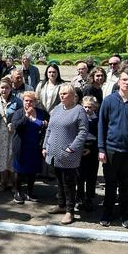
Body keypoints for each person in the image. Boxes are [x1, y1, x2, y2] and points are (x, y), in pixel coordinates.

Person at [98, 68, 128, 229]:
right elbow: (102, 126)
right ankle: (107, 212)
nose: (126, 82)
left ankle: (125, 213)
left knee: (126, 186)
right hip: (111, 150)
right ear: (119, 81)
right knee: (110, 184)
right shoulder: (109, 101)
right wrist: (101, 149)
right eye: (124, 79)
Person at [42, 84, 88, 225]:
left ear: (73, 96)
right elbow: (49, 129)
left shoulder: (79, 110)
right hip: (54, 152)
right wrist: (45, 146)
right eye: (61, 94)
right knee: (59, 182)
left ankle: (70, 211)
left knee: (69, 183)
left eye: (65, 94)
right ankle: (61, 205)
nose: (62, 96)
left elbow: (83, 132)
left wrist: (72, 148)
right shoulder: (56, 109)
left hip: (69, 154)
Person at [11, 91, 48, 203]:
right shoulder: (19, 113)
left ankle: (30, 191)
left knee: (33, 169)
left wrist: (44, 123)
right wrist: (27, 116)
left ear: (35, 102)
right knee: (19, 170)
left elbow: (48, 124)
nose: (28, 103)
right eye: (26, 100)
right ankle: (17, 191)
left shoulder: (41, 113)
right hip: (21, 146)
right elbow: (16, 125)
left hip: (35, 146)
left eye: (31, 101)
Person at [0, 76, 23, 191]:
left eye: (7, 88)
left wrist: (14, 125)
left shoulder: (17, 102)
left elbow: (22, 117)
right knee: (2, 158)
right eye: (2, 88)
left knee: (12, 157)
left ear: (11, 89)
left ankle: (14, 183)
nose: (4, 90)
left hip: (13, 133)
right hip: (0, 134)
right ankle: (3, 182)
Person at [76, 96, 99, 212]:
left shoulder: (97, 120)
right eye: (85, 107)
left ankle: (89, 198)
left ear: (94, 107)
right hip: (80, 147)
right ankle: (79, 198)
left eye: (90, 107)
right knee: (79, 176)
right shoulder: (79, 118)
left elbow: (100, 137)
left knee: (91, 176)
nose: (87, 109)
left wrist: (92, 149)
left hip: (93, 149)